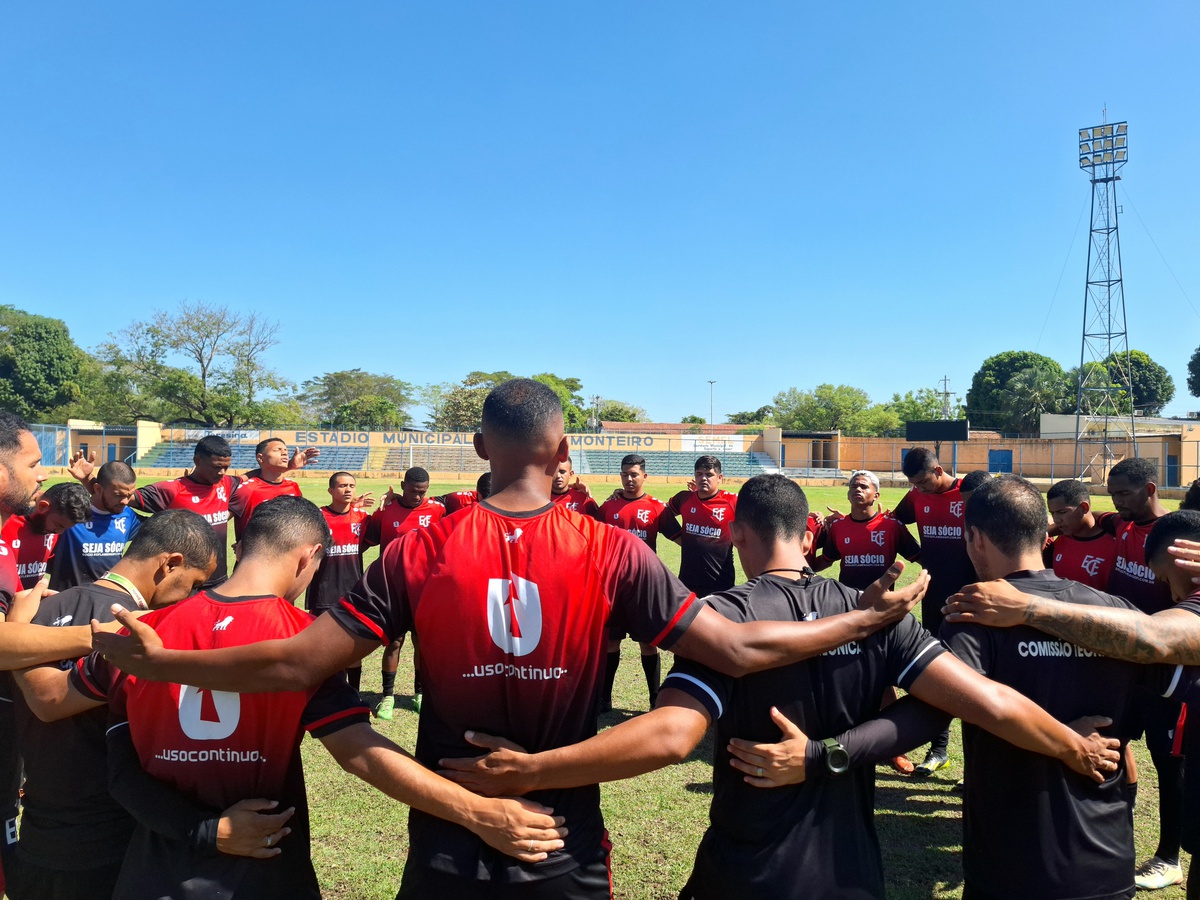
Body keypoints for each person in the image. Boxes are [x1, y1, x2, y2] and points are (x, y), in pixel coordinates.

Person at [93, 378, 938, 900]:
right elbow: (741, 650)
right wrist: (862, 619)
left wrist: (167, 659)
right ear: (565, 450)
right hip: (563, 844)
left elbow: (302, 661)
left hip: (449, 844)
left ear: (476, 450)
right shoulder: (613, 549)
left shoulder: (421, 549)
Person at [437, 474, 1121, 900]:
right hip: (853, 872)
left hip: (750, 869)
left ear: (736, 532)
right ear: (810, 531)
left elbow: (672, 736)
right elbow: (983, 701)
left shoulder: (724, 620)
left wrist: (533, 768)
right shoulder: (874, 616)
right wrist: (1070, 747)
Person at [945, 510, 1200, 900]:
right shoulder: (1119, 610)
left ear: (976, 538)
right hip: (1105, 861)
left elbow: (1153, 639)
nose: (1172, 595)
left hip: (1008, 866)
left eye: (1165, 579)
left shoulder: (976, 611)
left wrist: (1028, 610)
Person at [8, 509, 219, 900]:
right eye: (193, 583)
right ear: (170, 564)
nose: (190, 596)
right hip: (114, 845)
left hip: (36, 838)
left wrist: (19, 633)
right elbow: (49, 699)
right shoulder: (146, 631)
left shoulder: (38, 610)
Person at [819, 469, 921, 773]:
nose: (856, 489)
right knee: (847, 675)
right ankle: (846, 739)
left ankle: (896, 747)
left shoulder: (891, 526)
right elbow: (823, 561)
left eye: (863, 486)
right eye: (853, 485)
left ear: (876, 494)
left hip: (883, 613)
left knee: (885, 680)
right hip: (849, 611)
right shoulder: (839, 528)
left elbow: (920, 557)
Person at [892, 446, 976, 776]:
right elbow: (893, 524)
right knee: (938, 668)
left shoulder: (969, 491)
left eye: (924, 482)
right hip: (934, 594)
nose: (920, 489)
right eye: (914, 484)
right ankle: (939, 749)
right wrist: (916, 556)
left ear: (939, 471)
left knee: (972, 676)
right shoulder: (916, 497)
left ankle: (977, 764)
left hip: (972, 595)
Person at [595, 454, 683, 712]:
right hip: (613, 587)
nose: (629, 479)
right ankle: (604, 698)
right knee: (611, 642)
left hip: (644, 587)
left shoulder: (657, 508)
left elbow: (681, 540)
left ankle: (654, 699)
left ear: (645, 476)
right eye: (625, 474)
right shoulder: (608, 508)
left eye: (634, 474)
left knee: (648, 642)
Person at [368, 467, 446, 718]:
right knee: (393, 642)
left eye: (422, 492)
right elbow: (366, 539)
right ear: (402, 485)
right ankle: (388, 696)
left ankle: (420, 694)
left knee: (422, 642)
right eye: (413, 491)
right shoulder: (386, 510)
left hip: (424, 587)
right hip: (393, 588)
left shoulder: (437, 510)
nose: (417, 497)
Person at [307, 472, 374, 692]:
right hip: (323, 592)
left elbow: (362, 546)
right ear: (331, 491)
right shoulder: (317, 518)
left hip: (354, 591)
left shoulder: (362, 517)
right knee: (323, 647)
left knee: (352, 646)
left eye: (351, 486)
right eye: (342, 486)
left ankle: (352, 693)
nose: (348, 490)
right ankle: (324, 693)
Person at [47, 460, 141, 591]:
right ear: (98, 489)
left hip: (106, 602)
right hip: (67, 602)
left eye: (129, 495)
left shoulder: (128, 516)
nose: (125, 501)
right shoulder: (71, 514)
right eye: (118, 495)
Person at [667, 455, 739, 598]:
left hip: (720, 583)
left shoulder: (732, 501)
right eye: (699, 474)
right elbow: (660, 513)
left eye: (709, 474)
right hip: (687, 582)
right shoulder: (684, 498)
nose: (703, 478)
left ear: (720, 477)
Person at [1, 482, 89, 590]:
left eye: (64, 528)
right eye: (58, 525)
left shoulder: (50, 529)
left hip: (30, 603)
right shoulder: (6, 521)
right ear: (43, 507)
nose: (59, 532)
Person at [227, 437, 319, 541]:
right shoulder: (247, 489)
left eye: (286, 451)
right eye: (277, 450)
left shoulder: (293, 486)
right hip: (256, 554)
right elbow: (220, 520)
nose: (284, 453)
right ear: (260, 458)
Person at [1045, 479, 1119, 591]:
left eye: (1062, 512)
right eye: (1053, 513)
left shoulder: (1115, 545)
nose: (1056, 519)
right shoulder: (1059, 541)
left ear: (1084, 508)